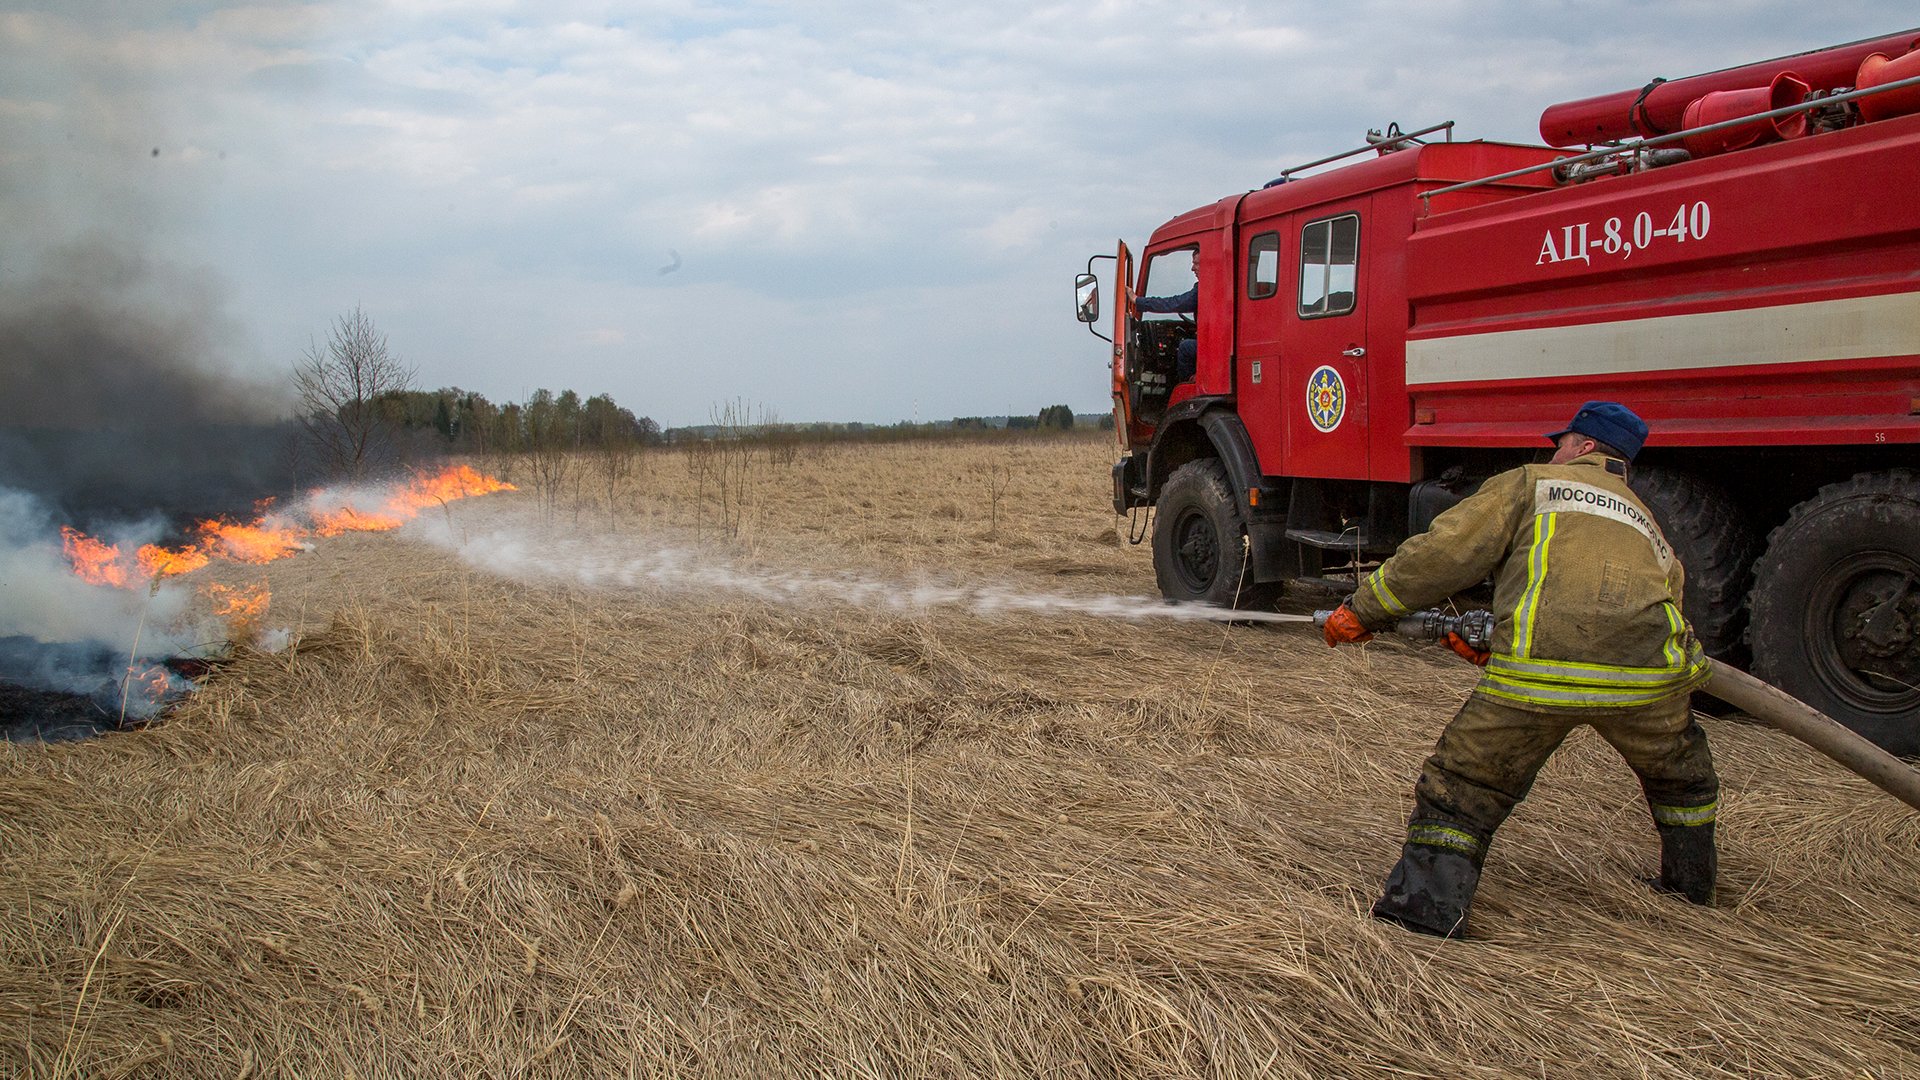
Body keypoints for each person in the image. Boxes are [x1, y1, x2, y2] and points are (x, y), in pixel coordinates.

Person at [1323, 401, 1719, 939]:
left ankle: (1425, 911)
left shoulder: (1535, 482)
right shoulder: (1645, 520)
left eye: (1562, 442)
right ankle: (1691, 887)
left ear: (1582, 447)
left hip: (1539, 678)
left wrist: (1365, 609)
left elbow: (1445, 552)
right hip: (1648, 681)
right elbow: (1668, 597)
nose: (1555, 450)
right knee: (1682, 777)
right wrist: (1505, 639)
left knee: (1466, 779)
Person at [1134, 255, 1199, 383]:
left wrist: (1138, 301)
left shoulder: (1203, 289)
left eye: (1196, 263)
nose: (1192, 268)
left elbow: (1174, 303)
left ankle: (1186, 385)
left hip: (1215, 347)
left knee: (1185, 347)